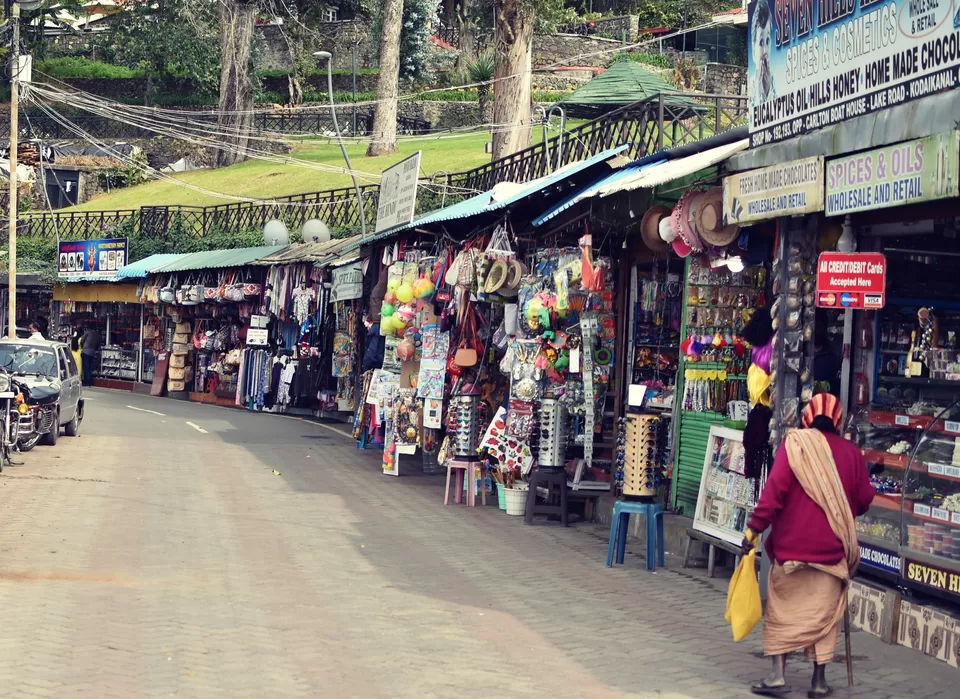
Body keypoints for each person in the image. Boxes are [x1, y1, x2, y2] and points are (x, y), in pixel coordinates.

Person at [743, 393, 875, 698]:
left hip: (790, 552)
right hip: (831, 554)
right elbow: (865, 498)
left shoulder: (795, 445)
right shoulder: (852, 453)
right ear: (838, 421)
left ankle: (777, 676)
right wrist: (842, 509)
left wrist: (752, 531)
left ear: (808, 417)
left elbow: (772, 495)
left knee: (782, 614)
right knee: (825, 618)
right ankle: (818, 682)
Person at [814, 321, 840, 396]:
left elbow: (835, 385)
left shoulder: (831, 358)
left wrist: (822, 386)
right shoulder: (805, 355)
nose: (816, 332)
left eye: (819, 330)